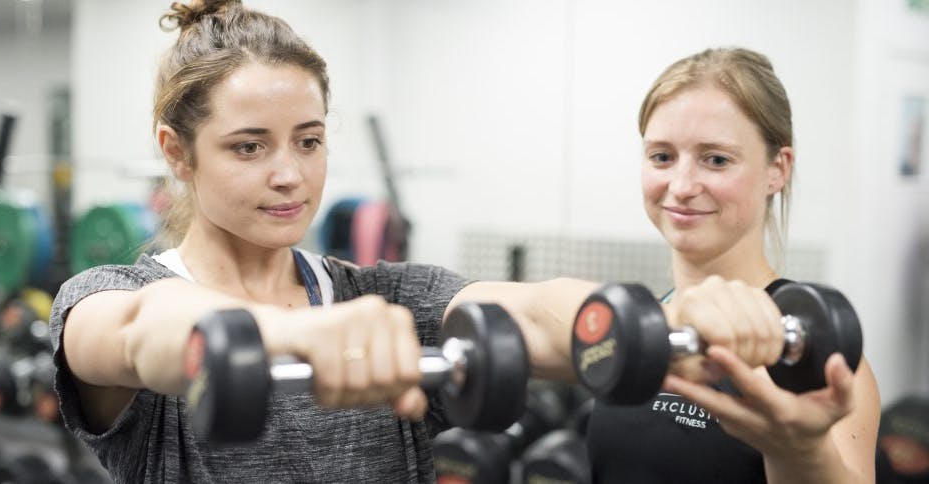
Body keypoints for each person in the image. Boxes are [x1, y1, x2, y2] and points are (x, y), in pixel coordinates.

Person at [50, 3, 796, 482]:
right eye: (249, 148)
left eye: (308, 142)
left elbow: (538, 313)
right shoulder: (110, 295)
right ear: (178, 153)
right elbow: (148, 332)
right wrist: (305, 334)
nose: (289, 175)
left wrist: (676, 325)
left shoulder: (385, 301)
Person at [585, 47, 881, 484]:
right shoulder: (642, 323)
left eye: (716, 159)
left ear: (777, 170)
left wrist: (796, 448)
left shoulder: (816, 354)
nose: (681, 186)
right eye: (662, 156)